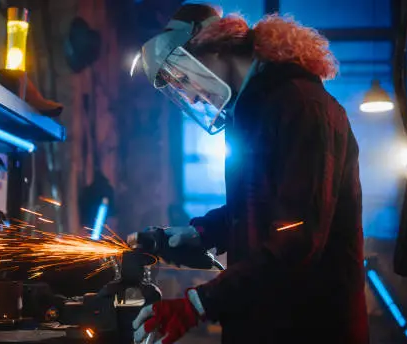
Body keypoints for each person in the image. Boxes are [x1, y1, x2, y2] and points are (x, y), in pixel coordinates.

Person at [131, 4, 368, 344]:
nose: (193, 94)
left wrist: (198, 303)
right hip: (266, 324)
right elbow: (265, 208)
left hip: (309, 327)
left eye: (184, 78)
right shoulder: (256, 111)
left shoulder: (302, 107)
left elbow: (297, 237)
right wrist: (202, 232)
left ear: (214, 47)